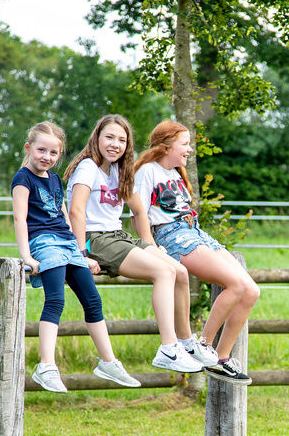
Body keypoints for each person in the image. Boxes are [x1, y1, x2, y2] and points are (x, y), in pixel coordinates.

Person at [64, 114, 218, 374]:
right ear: (97, 138)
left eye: (121, 140)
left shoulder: (119, 170)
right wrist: (81, 254)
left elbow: (139, 210)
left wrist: (150, 245)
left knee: (179, 270)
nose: (115, 144)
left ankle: (185, 343)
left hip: (117, 235)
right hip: (94, 239)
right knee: (163, 271)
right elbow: (76, 211)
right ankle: (168, 348)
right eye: (109, 137)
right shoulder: (88, 167)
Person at [11, 121, 140, 393]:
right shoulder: (23, 178)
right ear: (28, 148)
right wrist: (26, 256)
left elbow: (66, 216)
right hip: (44, 243)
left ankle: (108, 361)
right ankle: (46, 365)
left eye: (53, 152)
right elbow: (20, 219)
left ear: (60, 154)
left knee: (93, 300)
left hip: (68, 243)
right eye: (41, 150)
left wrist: (83, 254)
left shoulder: (56, 179)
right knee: (56, 300)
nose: (46, 157)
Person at [133, 120, 260, 385]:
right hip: (172, 236)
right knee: (235, 285)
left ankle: (220, 360)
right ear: (167, 146)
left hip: (195, 231)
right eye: (185, 144)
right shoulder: (148, 172)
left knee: (250, 291)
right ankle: (202, 346)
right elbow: (139, 212)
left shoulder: (177, 173)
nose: (189, 149)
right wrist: (149, 245)